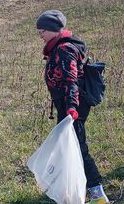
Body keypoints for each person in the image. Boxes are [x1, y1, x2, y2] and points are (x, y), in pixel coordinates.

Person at [36, 10, 109, 204]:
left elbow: (71, 80)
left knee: (78, 148)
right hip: (68, 104)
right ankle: (67, 188)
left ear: (52, 30)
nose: (40, 34)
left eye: (42, 30)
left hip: (72, 106)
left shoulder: (64, 49)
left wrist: (71, 108)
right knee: (65, 147)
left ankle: (97, 194)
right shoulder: (57, 47)